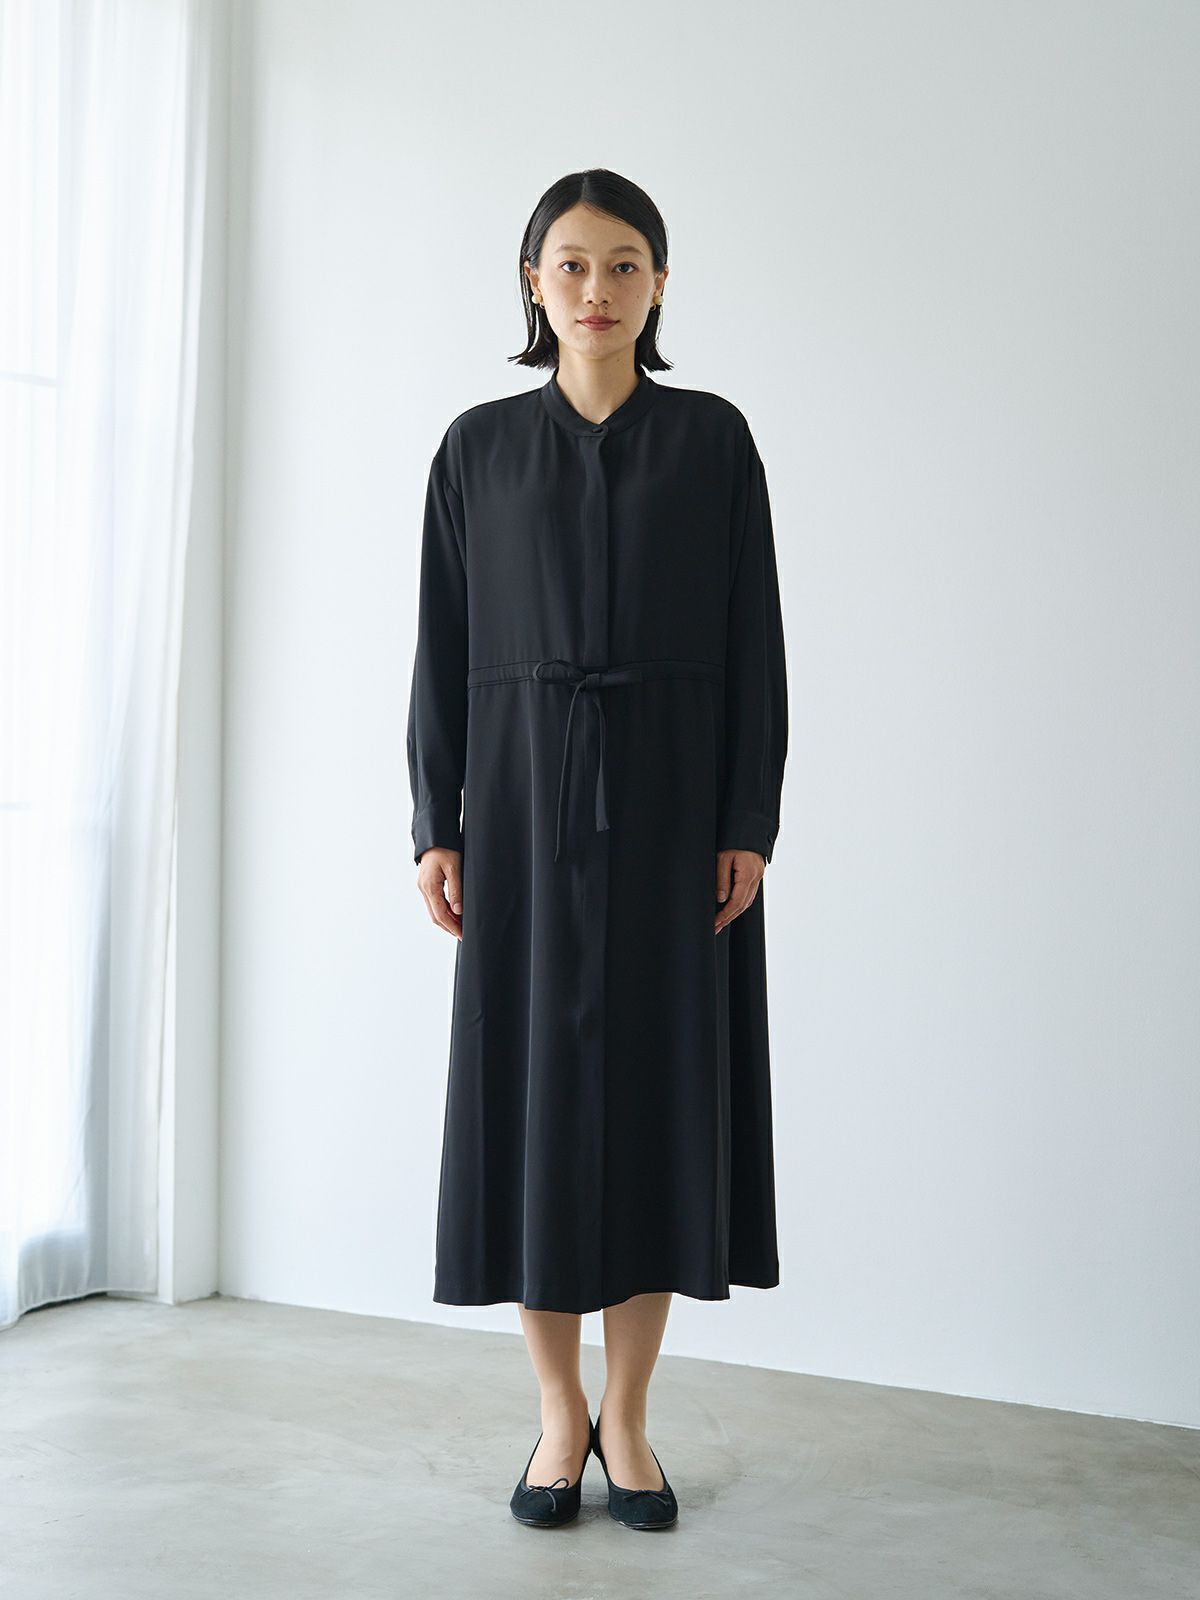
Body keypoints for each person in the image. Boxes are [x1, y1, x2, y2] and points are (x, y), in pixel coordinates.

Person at [406, 168, 788, 1530]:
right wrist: (436, 822)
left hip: (676, 813)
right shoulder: (477, 449)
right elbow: (440, 651)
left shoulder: (713, 441)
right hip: (518, 813)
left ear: (660, 283)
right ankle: (556, 1415)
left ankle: (629, 1418)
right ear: (533, 282)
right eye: (570, 264)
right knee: (534, 1107)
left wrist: (747, 822)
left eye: (624, 264)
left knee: (655, 1105)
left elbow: (756, 645)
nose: (597, 289)